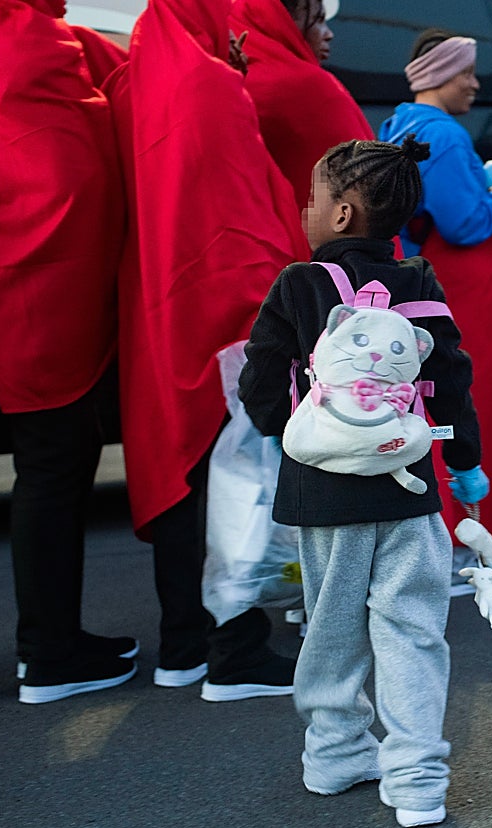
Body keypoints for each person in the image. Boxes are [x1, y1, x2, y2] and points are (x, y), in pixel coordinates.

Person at [238, 137, 485, 828]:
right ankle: (417, 783)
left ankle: (336, 751)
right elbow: (452, 382)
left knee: (333, 627)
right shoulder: (421, 283)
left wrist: (288, 431)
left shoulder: (299, 284)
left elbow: (260, 381)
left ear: (342, 214)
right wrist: (464, 462)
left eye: (313, 199)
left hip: (323, 495)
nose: (307, 210)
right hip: (409, 489)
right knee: (413, 632)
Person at [103, 0, 308, 700]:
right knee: (238, 480)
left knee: (181, 473)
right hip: (222, 312)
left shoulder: (134, 82)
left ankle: (185, 645)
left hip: (156, 307)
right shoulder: (214, 84)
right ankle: (238, 652)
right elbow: (245, 210)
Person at [0, 0, 136, 703]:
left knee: (57, 465)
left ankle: (57, 640)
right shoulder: (32, 39)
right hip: (42, 293)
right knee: (53, 468)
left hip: (9, 288)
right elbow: (68, 172)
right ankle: (48, 654)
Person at [378, 29, 492, 590]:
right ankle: (467, 551)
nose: (476, 83)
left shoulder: (400, 125)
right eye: (468, 72)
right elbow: (465, 222)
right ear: (440, 76)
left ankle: (436, 549)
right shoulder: (445, 133)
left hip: (423, 293)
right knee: (467, 414)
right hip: (464, 299)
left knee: (427, 415)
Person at [230, 0, 374, 213]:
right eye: (318, 21)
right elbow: (367, 186)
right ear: (283, 24)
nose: (328, 34)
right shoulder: (312, 88)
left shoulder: (225, 82)